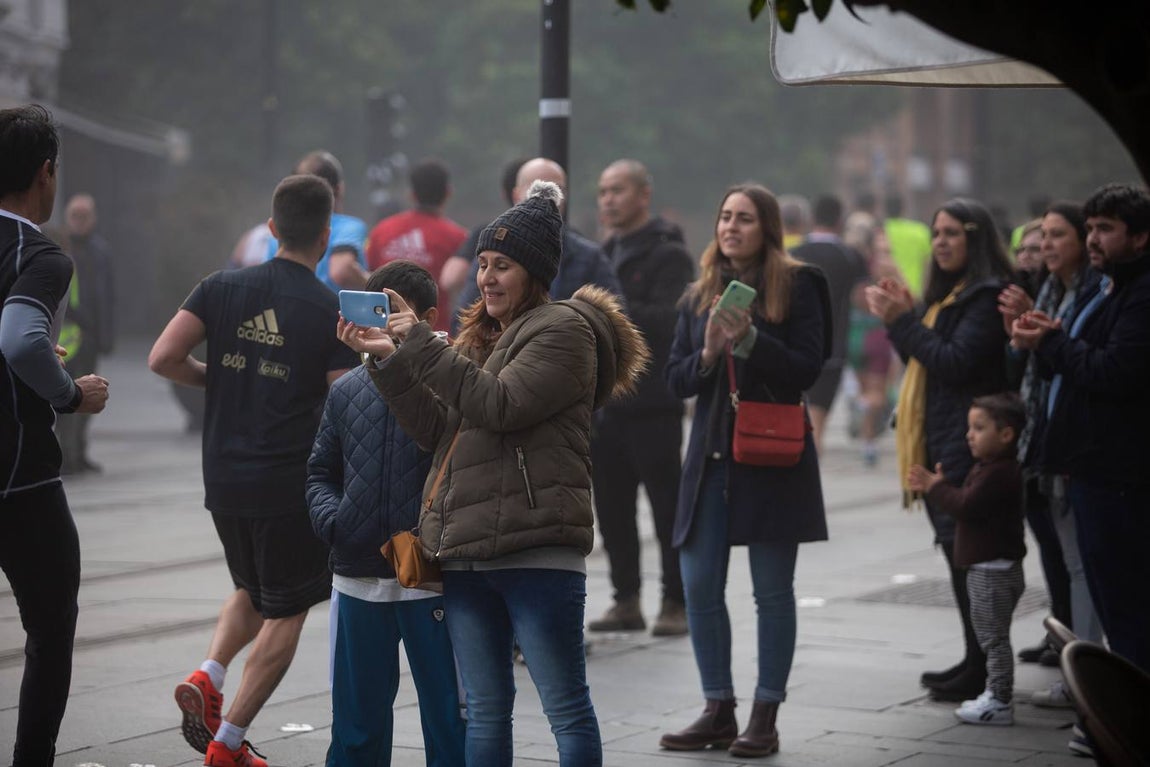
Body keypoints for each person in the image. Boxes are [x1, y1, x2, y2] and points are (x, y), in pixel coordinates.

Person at [337, 181, 650, 767]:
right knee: (483, 710)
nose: (486, 278)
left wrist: (424, 347)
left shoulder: (564, 330)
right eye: (481, 265)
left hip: (535, 551)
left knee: (564, 707)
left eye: (501, 266)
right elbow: (441, 432)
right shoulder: (486, 337)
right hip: (469, 550)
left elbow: (500, 405)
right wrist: (388, 359)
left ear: (533, 273)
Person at [149, 174, 359, 767]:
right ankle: (229, 743)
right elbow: (343, 403)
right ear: (325, 235)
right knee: (288, 607)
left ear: (271, 229)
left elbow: (163, 357)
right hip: (285, 482)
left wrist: (221, 376)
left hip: (222, 477)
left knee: (252, 588)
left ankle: (209, 674)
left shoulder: (219, 287)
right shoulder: (328, 311)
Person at [660, 184, 831, 758]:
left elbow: (808, 369)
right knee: (699, 585)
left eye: (745, 219)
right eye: (725, 216)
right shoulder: (698, 293)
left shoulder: (800, 284)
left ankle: (766, 713)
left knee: (772, 592)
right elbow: (677, 379)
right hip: (710, 457)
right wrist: (709, 352)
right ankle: (717, 709)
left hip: (771, 457)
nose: (731, 227)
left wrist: (751, 339)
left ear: (768, 228)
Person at [307, 260, 465, 767]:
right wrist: (338, 521)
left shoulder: (453, 380)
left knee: (450, 722)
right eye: (377, 311)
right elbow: (319, 473)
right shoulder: (347, 390)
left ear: (428, 317)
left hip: (432, 580)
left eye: (397, 313)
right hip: (358, 578)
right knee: (356, 727)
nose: (385, 323)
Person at [865, 197, 1014, 703]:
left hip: (968, 442)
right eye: (937, 233)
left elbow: (954, 362)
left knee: (970, 558)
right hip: (942, 435)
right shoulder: (950, 296)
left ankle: (984, 665)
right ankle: (974, 659)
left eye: (952, 233)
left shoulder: (986, 296)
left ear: (976, 238)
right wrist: (899, 320)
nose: (941, 242)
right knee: (955, 555)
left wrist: (904, 321)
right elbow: (922, 363)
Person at [0, 103, 111, 767]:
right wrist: (69, 393)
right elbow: (17, 338)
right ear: (46, 174)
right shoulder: (40, 255)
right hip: (20, 479)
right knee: (49, 630)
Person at [1011, 182, 1150, 677]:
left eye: (1105, 229)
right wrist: (1047, 342)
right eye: (1090, 228)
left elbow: (1114, 371)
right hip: (1090, 465)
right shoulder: (1112, 285)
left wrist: (1052, 342)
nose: (1094, 239)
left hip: (1119, 472)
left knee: (1126, 606)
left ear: (1140, 237)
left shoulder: (1137, 292)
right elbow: (1076, 360)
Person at [586, 159, 694, 636]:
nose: (608, 199)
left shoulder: (669, 253)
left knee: (667, 507)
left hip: (653, 403)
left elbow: (670, 320)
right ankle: (626, 599)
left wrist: (606, 309)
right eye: (603, 191)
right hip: (608, 404)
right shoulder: (604, 250)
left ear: (643, 196)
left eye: (618, 190)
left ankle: (676, 601)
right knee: (611, 509)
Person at [998, 203, 1102, 693]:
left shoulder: (1094, 293)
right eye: (1041, 238)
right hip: (1043, 441)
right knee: (1065, 558)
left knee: (1081, 563)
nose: (1045, 247)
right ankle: (1078, 666)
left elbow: (1084, 364)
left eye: (1058, 236)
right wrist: (1020, 338)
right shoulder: (1051, 290)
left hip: (1076, 445)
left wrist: (1040, 339)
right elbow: (1025, 368)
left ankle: (1086, 677)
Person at [908, 393, 1027, 726]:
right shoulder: (991, 468)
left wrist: (936, 487)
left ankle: (999, 699)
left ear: (1006, 435)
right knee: (992, 637)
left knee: (993, 640)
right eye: (969, 427)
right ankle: (994, 692)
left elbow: (965, 506)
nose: (969, 435)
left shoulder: (999, 473)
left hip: (993, 572)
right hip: (990, 569)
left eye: (979, 428)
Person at [452, 157, 622, 329]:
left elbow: (615, 324)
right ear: (516, 195)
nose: (548, 200)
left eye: (556, 190)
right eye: (537, 189)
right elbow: (463, 322)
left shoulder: (589, 257)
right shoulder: (495, 248)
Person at [792, 195, 869, 451]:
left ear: (812, 218)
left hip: (795, 346)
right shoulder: (850, 256)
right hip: (833, 347)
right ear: (839, 220)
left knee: (798, 416)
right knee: (817, 421)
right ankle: (809, 475)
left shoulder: (794, 254)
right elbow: (861, 299)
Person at [366, 158, 468, 331]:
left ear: (411, 194)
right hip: (434, 338)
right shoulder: (459, 238)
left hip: (382, 332)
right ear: (448, 193)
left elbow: (369, 277)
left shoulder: (381, 230)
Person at [56, 193, 115, 474]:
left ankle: (78, 453)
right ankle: (65, 456)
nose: (80, 222)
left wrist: (106, 334)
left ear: (94, 218)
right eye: (75, 216)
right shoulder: (59, 249)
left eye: (84, 216)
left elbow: (109, 296)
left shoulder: (101, 252)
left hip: (90, 336)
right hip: (67, 338)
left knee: (90, 395)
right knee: (68, 397)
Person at [264, 150, 370, 292]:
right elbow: (341, 270)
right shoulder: (349, 227)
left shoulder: (279, 234)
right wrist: (379, 287)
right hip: (334, 312)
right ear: (339, 188)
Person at [883, 195, 933, 299]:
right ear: (903, 209)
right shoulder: (920, 231)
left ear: (885, 209)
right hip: (915, 294)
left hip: (888, 294)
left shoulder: (881, 232)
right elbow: (929, 264)